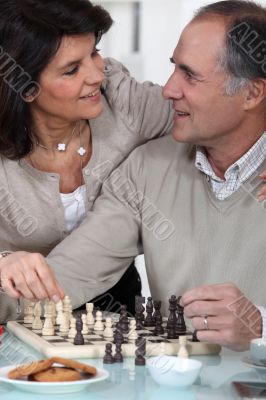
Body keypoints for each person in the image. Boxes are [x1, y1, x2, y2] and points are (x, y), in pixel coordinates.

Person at [0, 0, 266, 351]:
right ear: (27, 88)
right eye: (70, 70)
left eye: (190, 75)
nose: (168, 90)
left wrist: (261, 325)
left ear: (252, 93)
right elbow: (68, 274)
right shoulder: (145, 168)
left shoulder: (130, 106)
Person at [0, 0, 175, 320]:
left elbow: (214, 111)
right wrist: (3, 262)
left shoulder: (124, 103)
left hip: (115, 302)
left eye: (93, 52)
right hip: (18, 308)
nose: (97, 74)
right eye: (72, 69)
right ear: (25, 88)